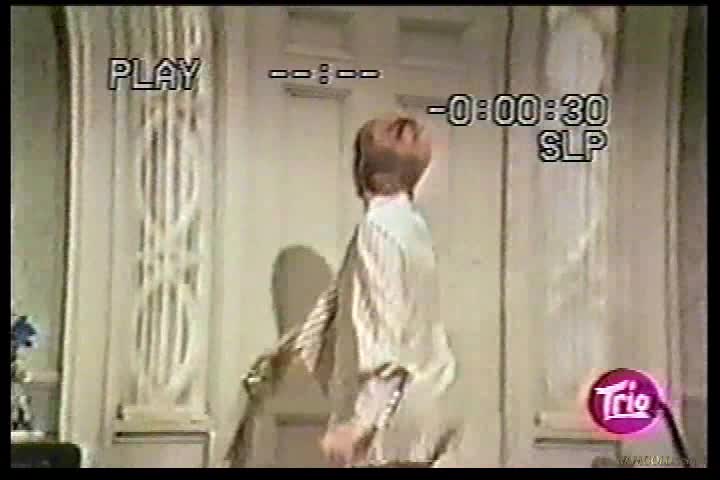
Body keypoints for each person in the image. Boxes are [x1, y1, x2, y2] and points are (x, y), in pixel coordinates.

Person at [228, 114, 461, 468]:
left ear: (361, 168)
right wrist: (285, 352)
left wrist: (359, 424)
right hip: (426, 403)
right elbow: (355, 304)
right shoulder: (411, 227)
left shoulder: (377, 230)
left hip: (388, 421)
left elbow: (383, 333)